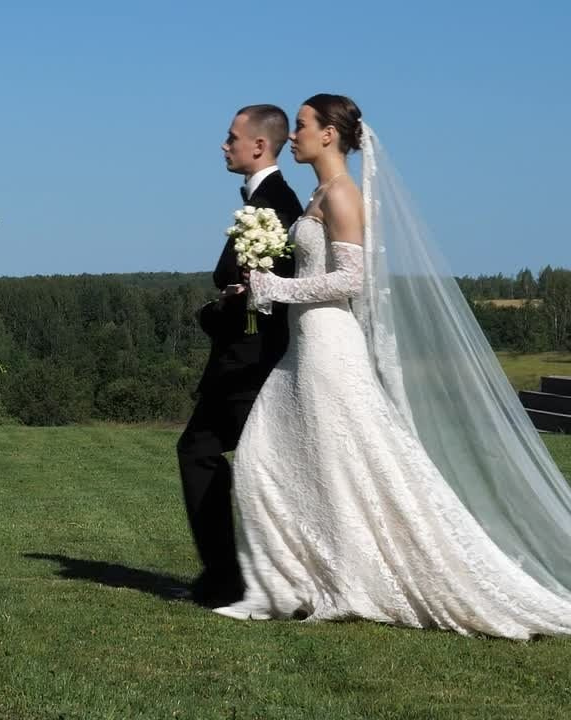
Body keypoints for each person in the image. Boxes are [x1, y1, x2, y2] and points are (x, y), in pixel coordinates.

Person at [218, 93, 571, 639]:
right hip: (302, 348)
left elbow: (349, 281)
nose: (295, 135)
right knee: (267, 460)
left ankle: (328, 584)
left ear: (329, 135)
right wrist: (262, 286)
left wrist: (277, 287)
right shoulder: (319, 194)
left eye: (304, 126)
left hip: (329, 349)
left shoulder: (341, 195)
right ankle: (280, 586)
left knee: (343, 468)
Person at [177, 105, 302, 608]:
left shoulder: (277, 206)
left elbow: (274, 292)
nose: (224, 146)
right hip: (243, 358)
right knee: (212, 454)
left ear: (259, 146)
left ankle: (233, 576)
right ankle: (237, 573)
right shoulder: (263, 203)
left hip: (254, 362)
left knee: (203, 453)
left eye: (231, 138)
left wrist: (220, 311)